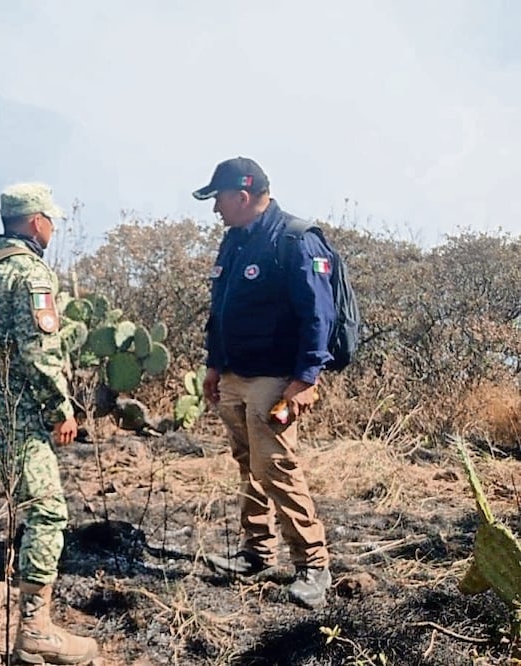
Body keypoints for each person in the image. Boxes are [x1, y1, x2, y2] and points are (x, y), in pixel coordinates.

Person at [0, 183, 98, 665]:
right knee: (47, 511)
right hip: (15, 412)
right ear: (35, 221)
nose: (53, 228)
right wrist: (59, 409)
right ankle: (35, 630)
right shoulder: (29, 273)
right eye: (50, 220)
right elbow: (38, 350)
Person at [193, 157, 335, 609]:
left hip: (275, 380)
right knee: (247, 462)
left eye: (218, 198)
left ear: (242, 195)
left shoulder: (296, 239)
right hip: (234, 375)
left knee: (275, 464)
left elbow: (318, 316)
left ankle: (313, 564)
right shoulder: (234, 240)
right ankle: (257, 551)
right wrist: (215, 365)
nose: (215, 208)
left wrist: (306, 379)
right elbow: (220, 308)